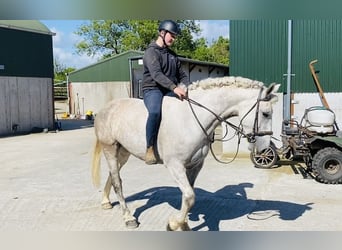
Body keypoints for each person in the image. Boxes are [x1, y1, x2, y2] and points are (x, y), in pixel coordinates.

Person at [142, 20, 189, 165]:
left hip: (168, 90)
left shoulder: (173, 55)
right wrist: (175, 88)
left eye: (175, 37)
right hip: (153, 89)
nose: (173, 39)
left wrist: (186, 87)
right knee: (155, 112)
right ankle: (149, 147)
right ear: (162, 33)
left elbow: (183, 75)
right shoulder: (151, 52)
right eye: (172, 36)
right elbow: (156, 74)